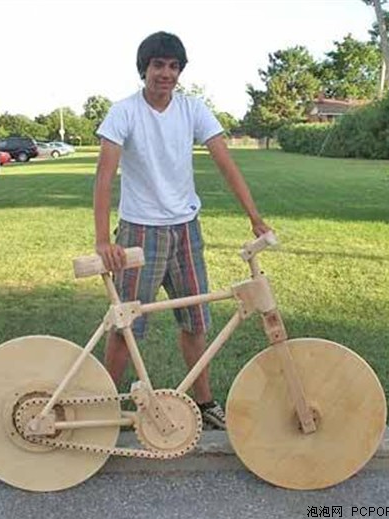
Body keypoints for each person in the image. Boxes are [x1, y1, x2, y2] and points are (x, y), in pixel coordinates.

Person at [94, 31, 271, 429]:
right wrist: (103, 239)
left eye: (174, 67)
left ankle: (204, 402)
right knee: (126, 325)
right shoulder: (124, 112)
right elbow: (104, 176)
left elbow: (226, 163)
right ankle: (101, 406)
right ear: (144, 69)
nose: (166, 74)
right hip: (140, 232)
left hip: (186, 231)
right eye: (158, 65)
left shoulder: (193, 109)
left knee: (196, 322)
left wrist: (254, 216)